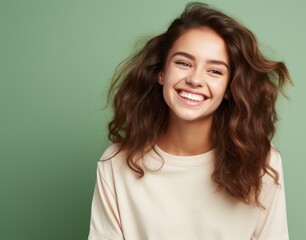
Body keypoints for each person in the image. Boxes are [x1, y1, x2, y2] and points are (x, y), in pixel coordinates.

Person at [88, 2, 292, 240]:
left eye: (215, 71)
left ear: (229, 88)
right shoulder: (116, 164)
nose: (195, 79)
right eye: (183, 63)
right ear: (161, 73)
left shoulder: (262, 162)